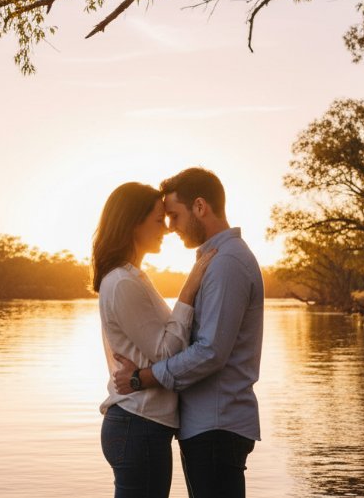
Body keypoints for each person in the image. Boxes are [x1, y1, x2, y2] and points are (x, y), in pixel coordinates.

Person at [113, 168, 264, 498]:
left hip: (217, 427)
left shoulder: (227, 264)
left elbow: (210, 351)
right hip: (209, 426)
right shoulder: (216, 260)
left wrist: (143, 377)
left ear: (200, 207)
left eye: (174, 215)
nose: (169, 227)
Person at [94, 181, 217, 498]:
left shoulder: (132, 277)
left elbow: (162, 345)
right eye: (158, 220)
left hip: (141, 425)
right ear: (134, 224)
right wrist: (189, 289)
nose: (166, 229)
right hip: (139, 424)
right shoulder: (123, 282)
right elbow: (164, 351)